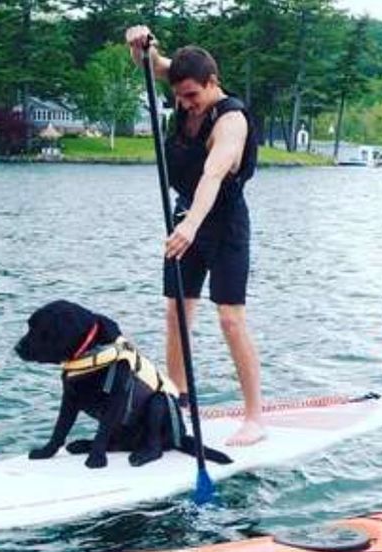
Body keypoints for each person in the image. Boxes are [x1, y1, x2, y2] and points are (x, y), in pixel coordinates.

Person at [126, 25, 265, 446]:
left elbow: (213, 174)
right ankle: (178, 403)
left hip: (223, 225)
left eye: (192, 96)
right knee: (176, 314)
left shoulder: (232, 120)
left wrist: (189, 225)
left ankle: (255, 418)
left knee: (229, 319)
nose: (185, 104)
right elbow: (151, 64)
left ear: (212, 82)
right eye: (179, 97)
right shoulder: (184, 83)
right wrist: (138, 44)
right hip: (185, 217)